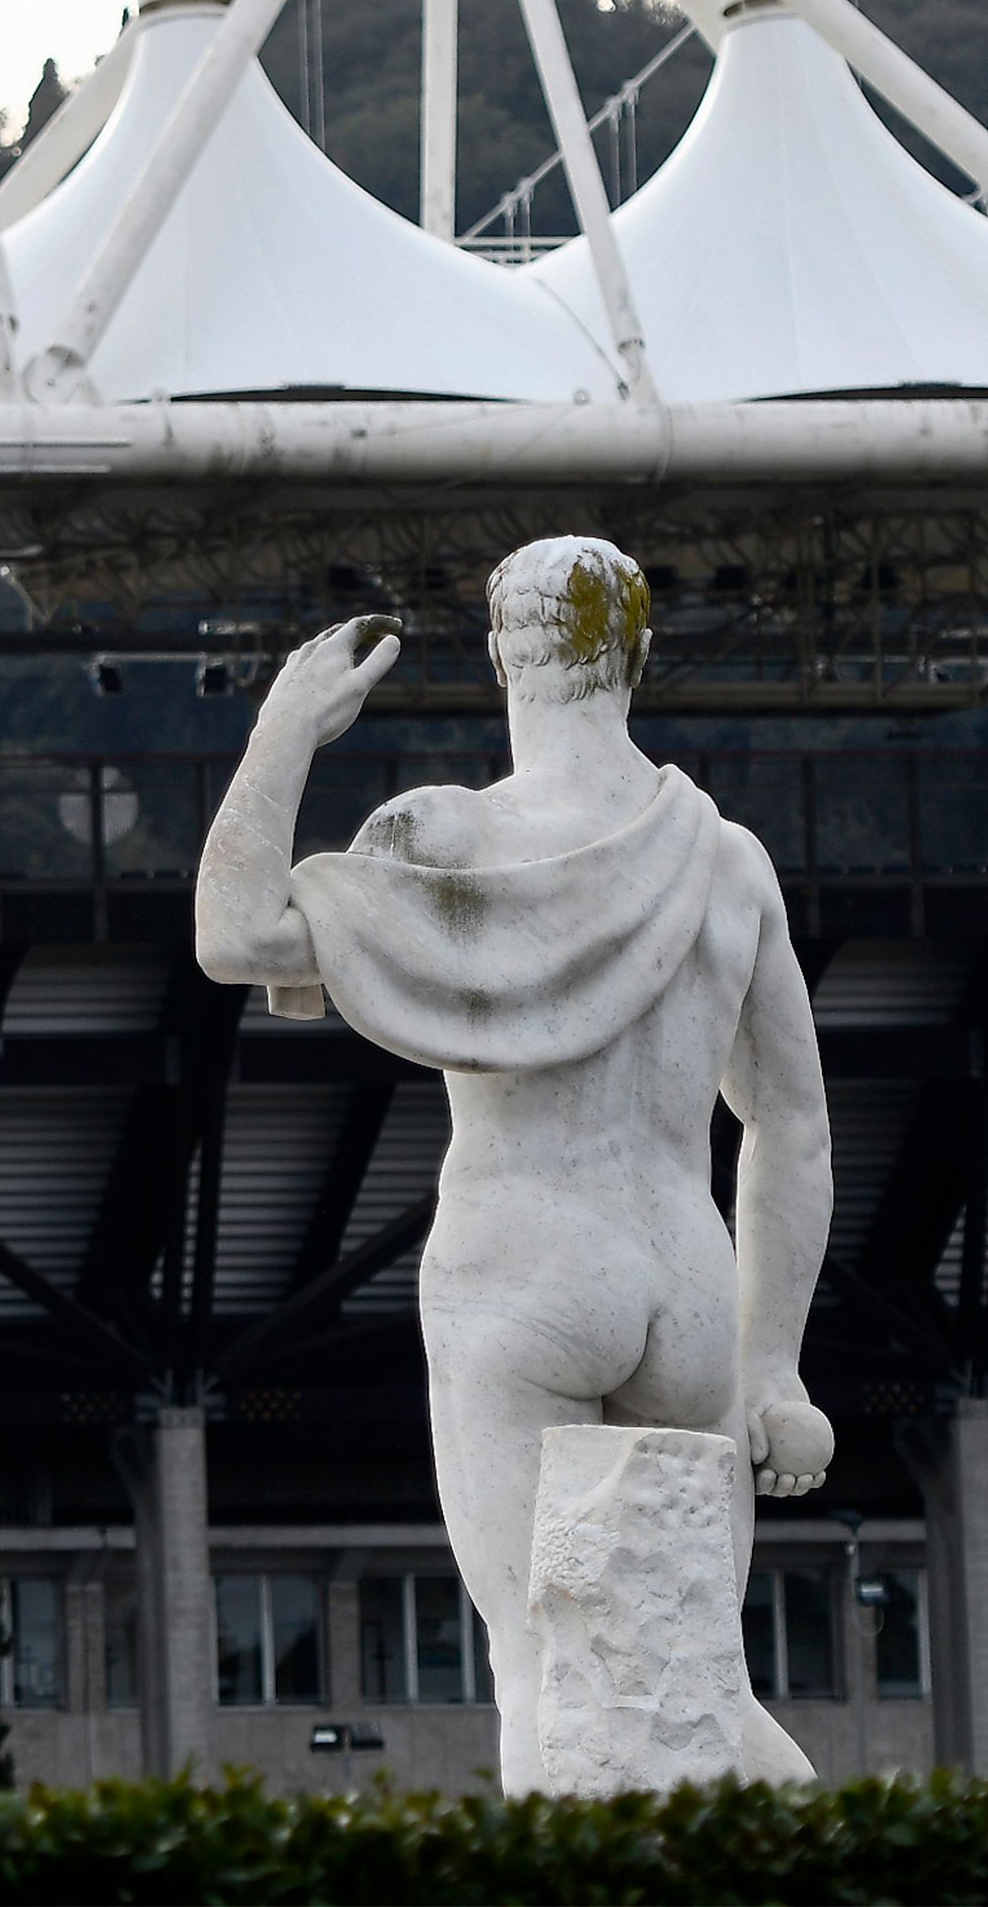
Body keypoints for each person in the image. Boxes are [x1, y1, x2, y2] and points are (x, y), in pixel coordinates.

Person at [194, 536, 833, 1791]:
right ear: (638, 654)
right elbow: (793, 1125)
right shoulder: (728, 861)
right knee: (693, 1681)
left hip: (526, 1274)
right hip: (688, 1287)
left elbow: (235, 933)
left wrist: (284, 730)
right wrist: (773, 1365)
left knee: (546, 1667)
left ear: (499, 654)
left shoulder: (448, 835)